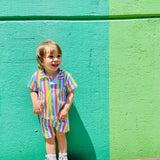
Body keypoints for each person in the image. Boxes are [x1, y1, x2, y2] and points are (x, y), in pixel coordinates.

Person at [28, 41, 78, 160]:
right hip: (45, 116)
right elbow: (33, 91)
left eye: (58, 56)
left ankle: (63, 157)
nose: (55, 59)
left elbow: (71, 92)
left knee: (61, 135)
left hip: (61, 115)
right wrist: (35, 102)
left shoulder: (65, 76)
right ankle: (51, 158)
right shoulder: (37, 76)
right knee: (49, 138)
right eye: (51, 57)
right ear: (41, 60)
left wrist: (66, 109)